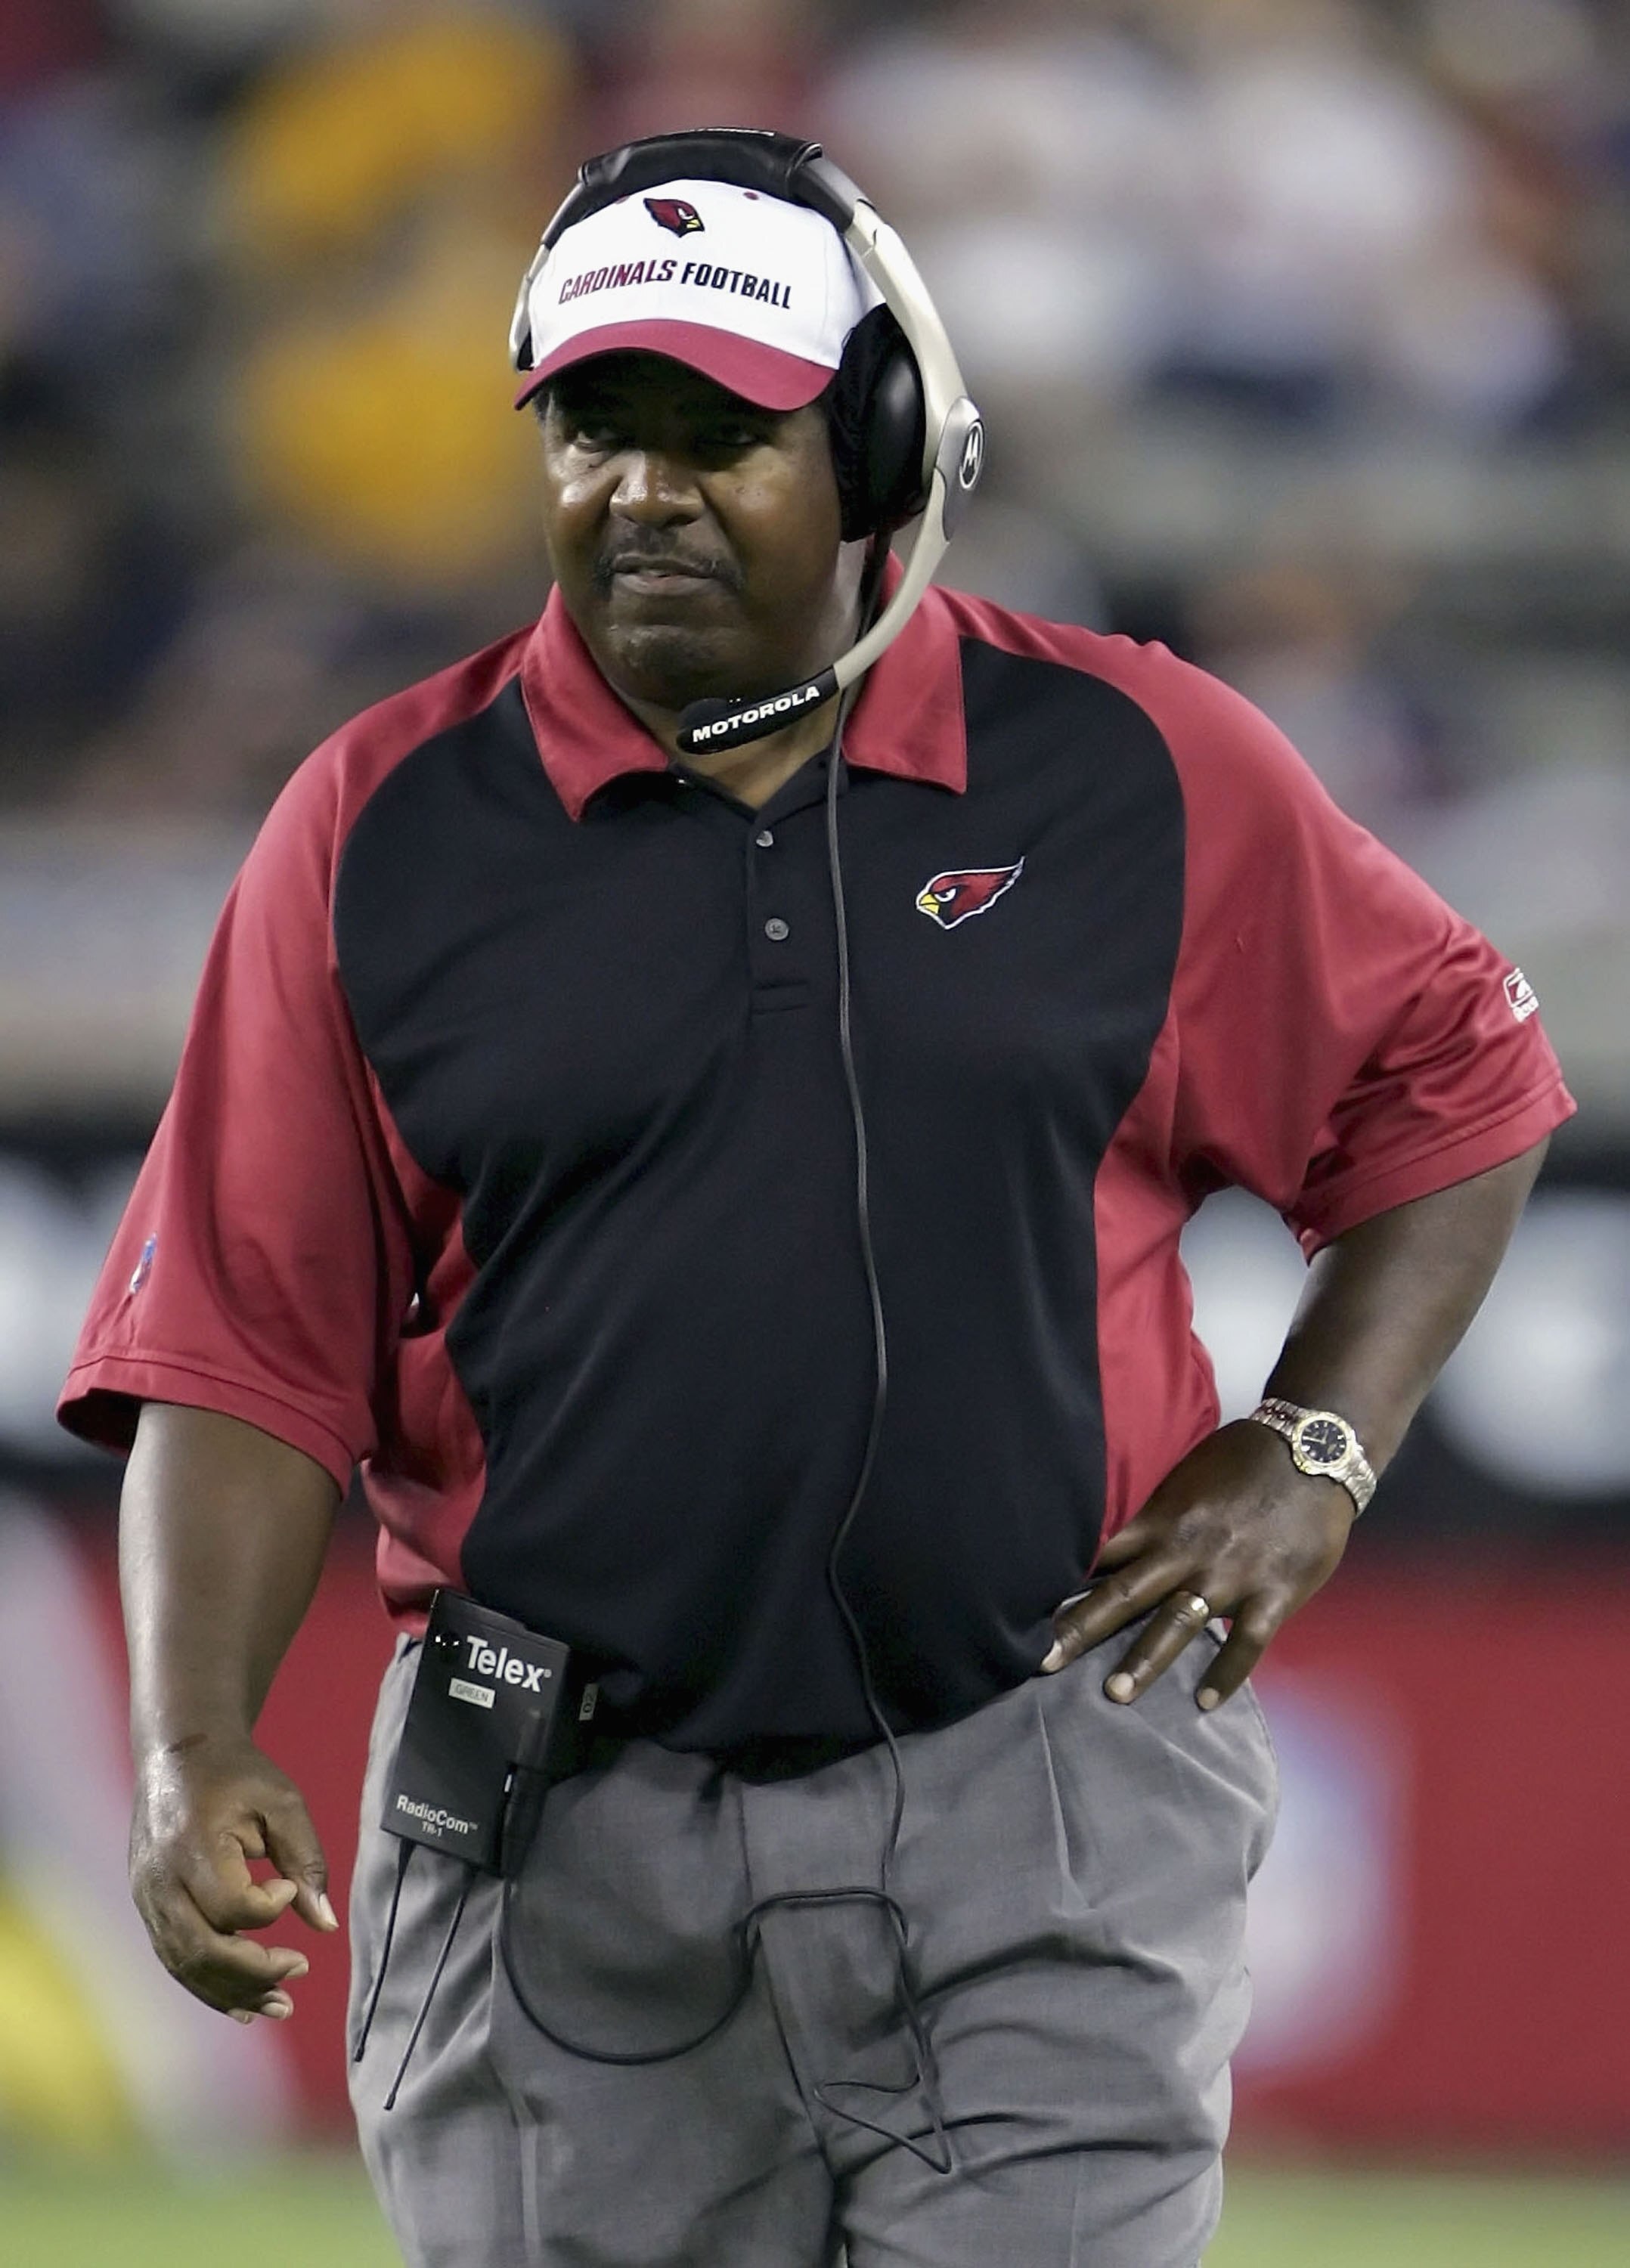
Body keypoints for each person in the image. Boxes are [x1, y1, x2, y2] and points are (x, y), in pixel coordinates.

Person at [60, 132, 1572, 2268]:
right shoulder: (379, 825)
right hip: (552, 1845)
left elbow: (1461, 1081)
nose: (642, 489)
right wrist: (187, 1742)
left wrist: (1313, 1445)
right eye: (594, 426)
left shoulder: (1130, 763)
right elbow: (235, 1334)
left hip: (1038, 1786)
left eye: (721, 435)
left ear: (878, 452)